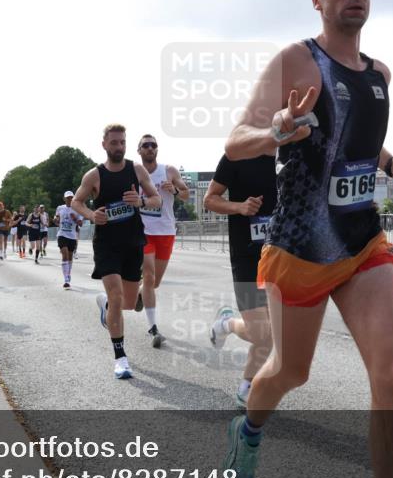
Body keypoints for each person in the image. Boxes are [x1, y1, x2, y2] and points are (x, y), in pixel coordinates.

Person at [221, 0, 393, 478]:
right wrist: (277, 131)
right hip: (300, 245)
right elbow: (236, 139)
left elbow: (360, 141)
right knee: (289, 372)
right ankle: (248, 429)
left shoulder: (380, 74)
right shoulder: (296, 60)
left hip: (362, 239)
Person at [70, 124, 160, 380]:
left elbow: (157, 199)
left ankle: (107, 306)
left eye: (122, 142)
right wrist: (91, 215)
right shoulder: (94, 175)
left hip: (133, 242)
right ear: (104, 145)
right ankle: (120, 358)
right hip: (107, 245)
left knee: (127, 303)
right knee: (118, 296)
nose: (119, 147)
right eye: (114, 143)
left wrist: (141, 201)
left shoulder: (137, 169)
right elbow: (76, 201)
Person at [204, 154, 277, 408]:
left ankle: (247, 387)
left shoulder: (293, 151)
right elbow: (209, 199)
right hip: (247, 255)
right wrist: (240, 207)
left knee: (273, 332)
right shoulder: (237, 154)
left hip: (283, 253)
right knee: (260, 332)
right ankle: (226, 324)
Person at [136, 134, 191, 348]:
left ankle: (140, 293)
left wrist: (175, 190)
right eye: (146, 145)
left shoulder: (169, 170)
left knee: (154, 282)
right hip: (143, 231)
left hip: (166, 231)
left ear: (157, 149)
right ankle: (153, 328)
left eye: (153, 145)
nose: (150, 148)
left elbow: (186, 194)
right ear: (139, 150)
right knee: (149, 276)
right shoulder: (134, 172)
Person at [54, 191, 80, 289]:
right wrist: (56, 219)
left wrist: (75, 219)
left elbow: (80, 223)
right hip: (62, 234)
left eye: (71, 197)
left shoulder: (77, 209)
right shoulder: (60, 208)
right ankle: (66, 280)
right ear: (64, 199)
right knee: (64, 255)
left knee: (70, 257)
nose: (69, 199)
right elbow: (56, 218)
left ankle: (68, 274)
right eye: (68, 198)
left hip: (72, 236)